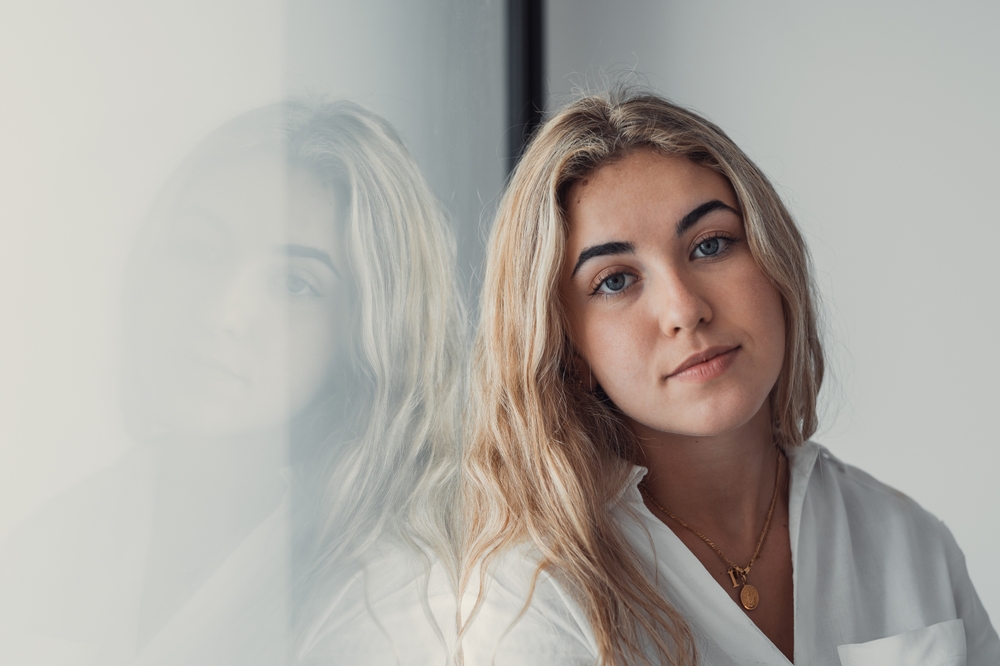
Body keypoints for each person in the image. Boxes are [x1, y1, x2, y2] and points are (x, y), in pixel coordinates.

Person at [458, 90, 1000, 666]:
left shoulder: (909, 543)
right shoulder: (535, 598)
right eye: (615, 281)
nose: (684, 309)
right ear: (567, 349)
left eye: (710, 245)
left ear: (774, 261)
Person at [0, 99, 465, 665]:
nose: (219, 311)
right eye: (199, 249)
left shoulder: (389, 605)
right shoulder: (56, 535)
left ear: (366, 335)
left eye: (295, 284)